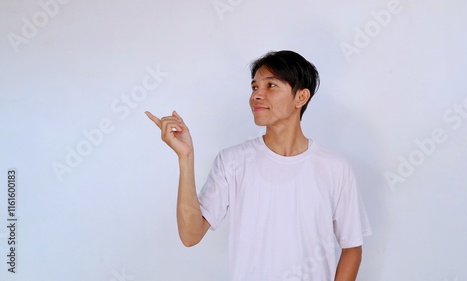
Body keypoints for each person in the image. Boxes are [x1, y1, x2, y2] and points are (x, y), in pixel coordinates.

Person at [146, 50, 372, 281]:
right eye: (254, 87)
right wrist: (185, 157)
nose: (256, 95)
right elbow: (190, 235)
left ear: (300, 97)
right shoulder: (233, 161)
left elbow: (352, 246)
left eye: (270, 86)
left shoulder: (334, 167)